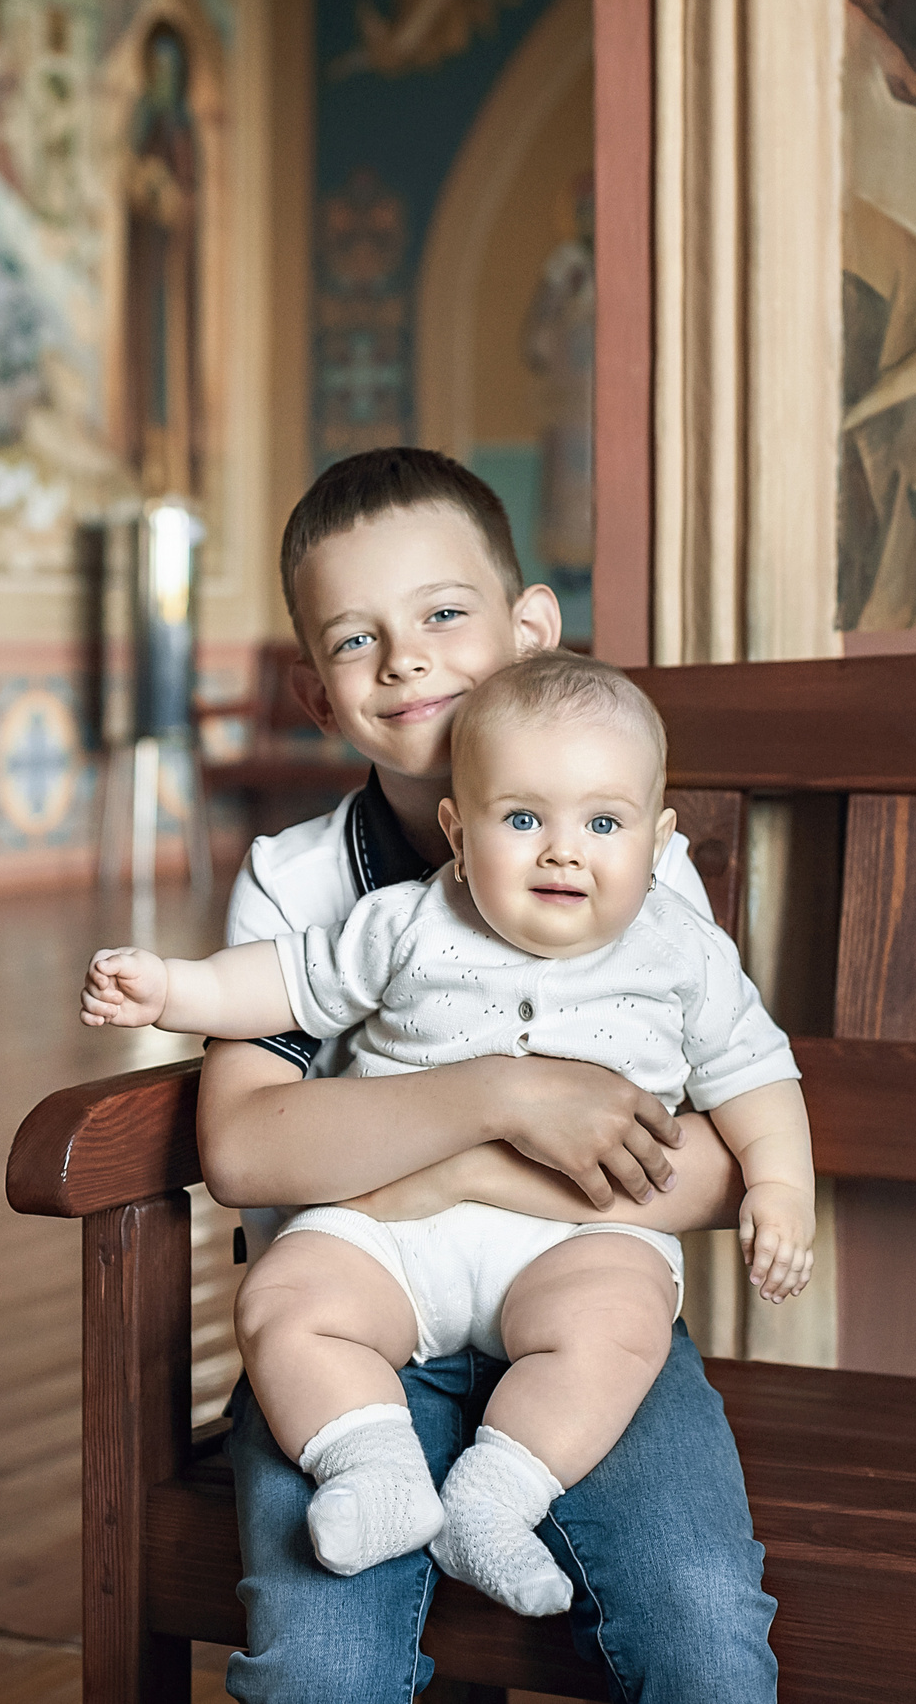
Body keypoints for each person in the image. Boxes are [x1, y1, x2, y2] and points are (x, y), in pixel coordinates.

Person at [169, 447, 783, 1701]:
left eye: (444, 613)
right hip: (351, 1336)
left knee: (704, 1627)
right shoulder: (298, 880)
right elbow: (242, 1148)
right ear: (317, 692)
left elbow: (717, 1168)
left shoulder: (625, 860)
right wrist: (504, 1100)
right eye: (358, 639)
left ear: (528, 628)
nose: (406, 661)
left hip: (583, 1320)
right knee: (320, 1667)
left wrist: (436, 1177)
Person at [86, 650, 816, 1620]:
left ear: (657, 841)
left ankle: (494, 1500)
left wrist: (781, 1187)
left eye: (603, 824)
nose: (563, 852)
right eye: (523, 819)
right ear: (459, 835)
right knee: (284, 1299)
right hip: (391, 1237)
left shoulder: (682, 950)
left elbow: (756, 1074)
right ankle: (371, 1463)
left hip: (575, 1241)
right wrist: (174, 988)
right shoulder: (407, 922)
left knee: (618, 1327)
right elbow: (286, 981)